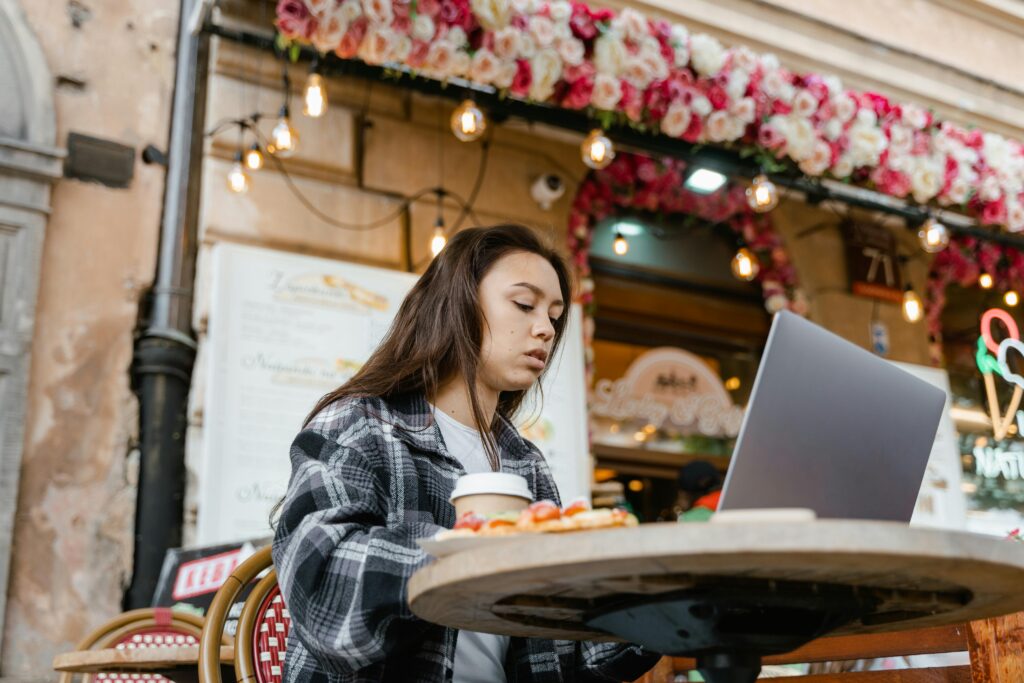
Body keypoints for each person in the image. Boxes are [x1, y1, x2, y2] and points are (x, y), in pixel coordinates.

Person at [272, 225, 658, 682]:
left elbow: (564, 652)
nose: (545, 329)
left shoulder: (524, 463)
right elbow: (320, 581)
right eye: (523, 304)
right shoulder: (361, 425)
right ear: (456, 303)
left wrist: (664, 608)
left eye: (555, 316)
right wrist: (475, 557)